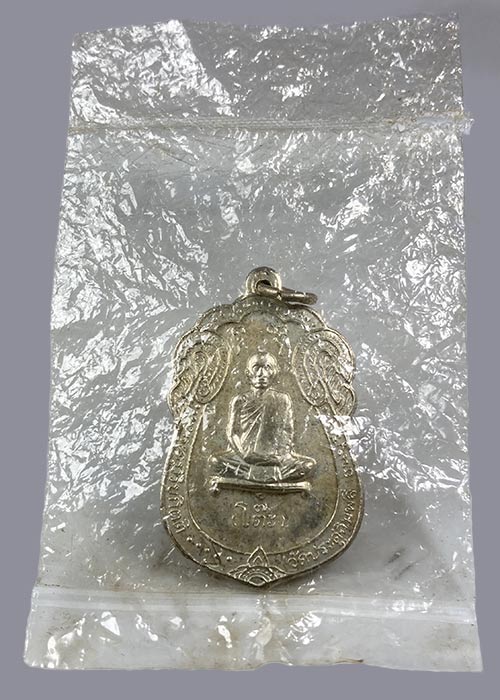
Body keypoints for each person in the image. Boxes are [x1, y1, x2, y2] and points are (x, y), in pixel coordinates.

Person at [210, 351, 315, 483]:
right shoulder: (240, 400)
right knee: (215, 461)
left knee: (308, 465)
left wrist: (280, 456)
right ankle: (271, 476)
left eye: (267, 368)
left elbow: (287, 432)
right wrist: (244, 455)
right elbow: (232, 433)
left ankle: (251, 475)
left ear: (274, 373)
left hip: (274, 458)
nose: (261, 374)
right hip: (245, 457)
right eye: (256, 368)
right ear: (248, 373)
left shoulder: (283, 399)